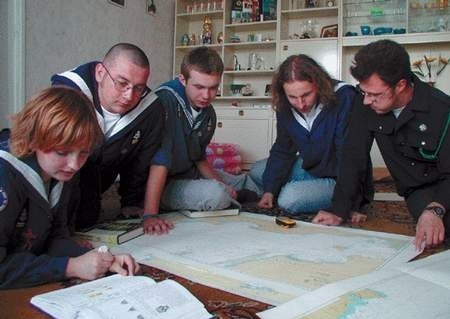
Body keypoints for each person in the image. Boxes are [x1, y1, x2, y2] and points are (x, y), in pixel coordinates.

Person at [312, 39, 450, 250]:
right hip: (418, 190)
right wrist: (338, 210)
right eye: (363, 91)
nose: (367, 100)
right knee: (439, 231)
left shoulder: (441, 110)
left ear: (401, 85)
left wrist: (436, 209)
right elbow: (353, 156)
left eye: (374, 94)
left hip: (444, 184)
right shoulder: (365, 103)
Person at [0, 87, 139, 289]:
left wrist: (102, 261)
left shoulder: (59, 172)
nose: (74, 165)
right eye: (62, 152)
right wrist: (70, 267)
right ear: (34, 139)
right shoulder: (6, 176)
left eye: (83, 153)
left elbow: (53, 238)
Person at [142, 47, 261, 234]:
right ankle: (233, 197)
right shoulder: (164, 102)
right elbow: (159, 162)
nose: (206, 96)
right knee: (216, 194)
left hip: (189, 174)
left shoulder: (208, 113)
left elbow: (198, 157)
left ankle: (246, 195)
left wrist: (222, 182)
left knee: (243, 181)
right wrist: (150, 215)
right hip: (161, 182)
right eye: (199, 87)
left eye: (213, 87)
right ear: (182, 80)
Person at [51, 43, 164, 230]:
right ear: (100, 73)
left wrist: (132, 201)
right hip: (65, 181)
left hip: (100, 182)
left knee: (89, 218)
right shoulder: (68, 92)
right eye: (122, 83)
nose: (129, 96)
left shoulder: (151, 109)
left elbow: (141, 160)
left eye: (138, 88)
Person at [249, 54, 372, 216]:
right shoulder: (285, 106)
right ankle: (290, 188)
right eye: (292, 97)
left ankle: (299, 189)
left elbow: (350, 157)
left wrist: (350, 205)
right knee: (257, 170)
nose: (300, 104)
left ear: (319, 85)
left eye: (306, 95)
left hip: (340, 177)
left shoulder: (345, 97)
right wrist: (269, 190)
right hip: (313, 168)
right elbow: (283, 149)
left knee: (289, 199)